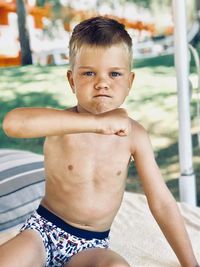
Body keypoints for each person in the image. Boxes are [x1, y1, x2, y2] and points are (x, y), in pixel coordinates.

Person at [1, 16, 199, 267]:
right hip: (42, 232)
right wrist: (96, 124)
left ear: (130, 82)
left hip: (91, 245)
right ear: (72, 80)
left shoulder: (134, 135)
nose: (102, 82)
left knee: (117, 266)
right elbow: (13, 124)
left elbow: (161, 202)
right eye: (88, 73)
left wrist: (190, 263)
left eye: (115, 73)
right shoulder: (62, 122)